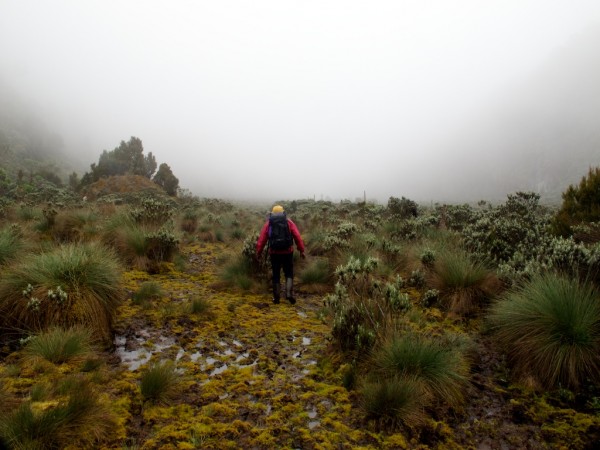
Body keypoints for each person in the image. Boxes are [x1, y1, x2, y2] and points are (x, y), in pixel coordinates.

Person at [256, 205, 305, 304]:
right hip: (288, 252)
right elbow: (297, 237)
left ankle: (276, 298)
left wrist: (259, 252)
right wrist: (301, 250)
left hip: (274, 253)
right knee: (289, 273)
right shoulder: (289, 222)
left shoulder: (269, 223)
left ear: (272, 213)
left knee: (276, 274)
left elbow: (262, 239)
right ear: (283, 213)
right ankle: (289, 294)